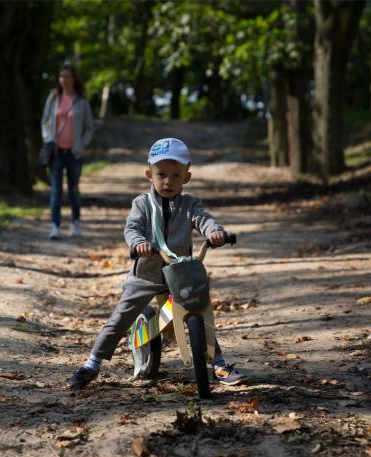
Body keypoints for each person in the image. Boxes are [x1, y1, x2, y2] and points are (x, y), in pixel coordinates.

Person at [67, 137, 244, 389]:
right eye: (161, 174)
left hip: (179, 274)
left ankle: (219, 363)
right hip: (146, 275)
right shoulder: (141, 204)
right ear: (150, 175)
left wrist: (215, 232)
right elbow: (132, 228)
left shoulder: (190, 205)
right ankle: (92, 363)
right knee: (122, 316)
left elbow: (204, 219)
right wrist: (139, 243)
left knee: (200, 310)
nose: (168, 181)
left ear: (186, 177)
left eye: (176, 175)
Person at [40, 64, 94, 240]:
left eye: (66, 76)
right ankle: (55, 226)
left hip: (74, 154)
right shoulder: (53, 98)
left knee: (73, 190)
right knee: (56, 191)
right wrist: (48, 139)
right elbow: (45, 121)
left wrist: (82, 145)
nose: (63, 79)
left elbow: (89, 127)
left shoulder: (82, 102)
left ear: (74, 79)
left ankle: (75, 223)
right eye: (60, 76)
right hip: (56, 152)